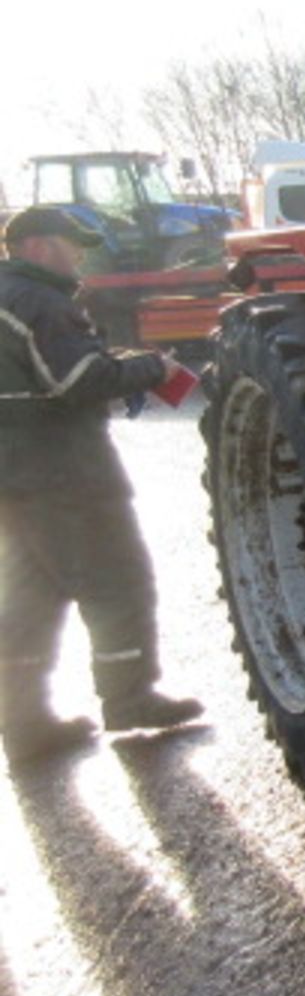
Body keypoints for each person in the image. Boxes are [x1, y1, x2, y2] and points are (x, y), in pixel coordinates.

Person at [0, 206, 202, 767]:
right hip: (63, 472)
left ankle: (23, 723)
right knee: (117, 580)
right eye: (72, 244)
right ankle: (129, 698)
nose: (80, 255)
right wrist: (151, 370)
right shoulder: (39, 302)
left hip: (13, 477)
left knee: (30, 598)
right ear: (39, 247)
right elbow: (76, 379)